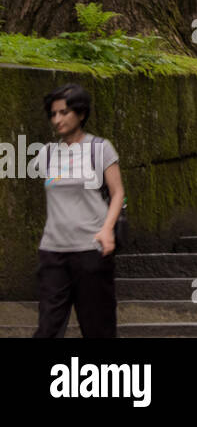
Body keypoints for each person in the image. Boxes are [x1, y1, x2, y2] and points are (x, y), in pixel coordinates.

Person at [35, 83, 124, 338]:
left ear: (81, 114)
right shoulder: (47, 154)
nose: (57, 119)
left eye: (64, 112)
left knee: (98, 328)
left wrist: (107, 230)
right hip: (53, 252)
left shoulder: (100, 148)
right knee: (48, 329)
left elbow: (117, 192)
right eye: (53, 114)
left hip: (91, 251)